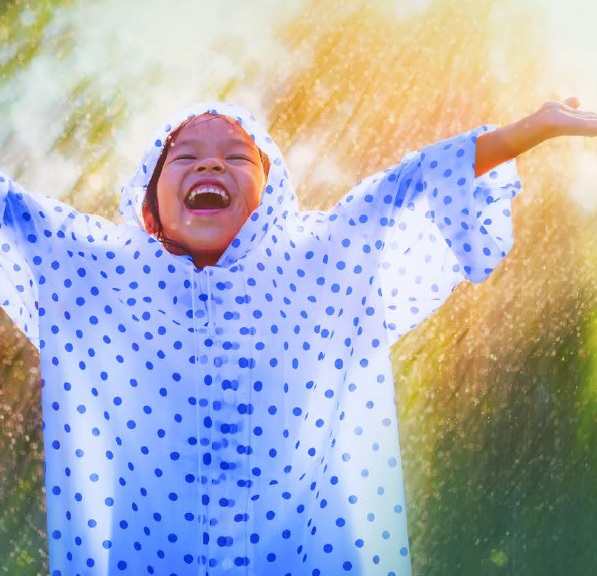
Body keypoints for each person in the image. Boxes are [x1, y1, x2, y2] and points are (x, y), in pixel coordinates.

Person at [0, 98, 595, 576]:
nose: (210, 165)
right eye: (183, 158)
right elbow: (13, 211)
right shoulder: (97, 270)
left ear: (273, 193)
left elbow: (414, 183)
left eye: (237, 157)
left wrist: (533, 127)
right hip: (152, 555)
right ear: (149, 204)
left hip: (305, 551)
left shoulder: (321, 260)